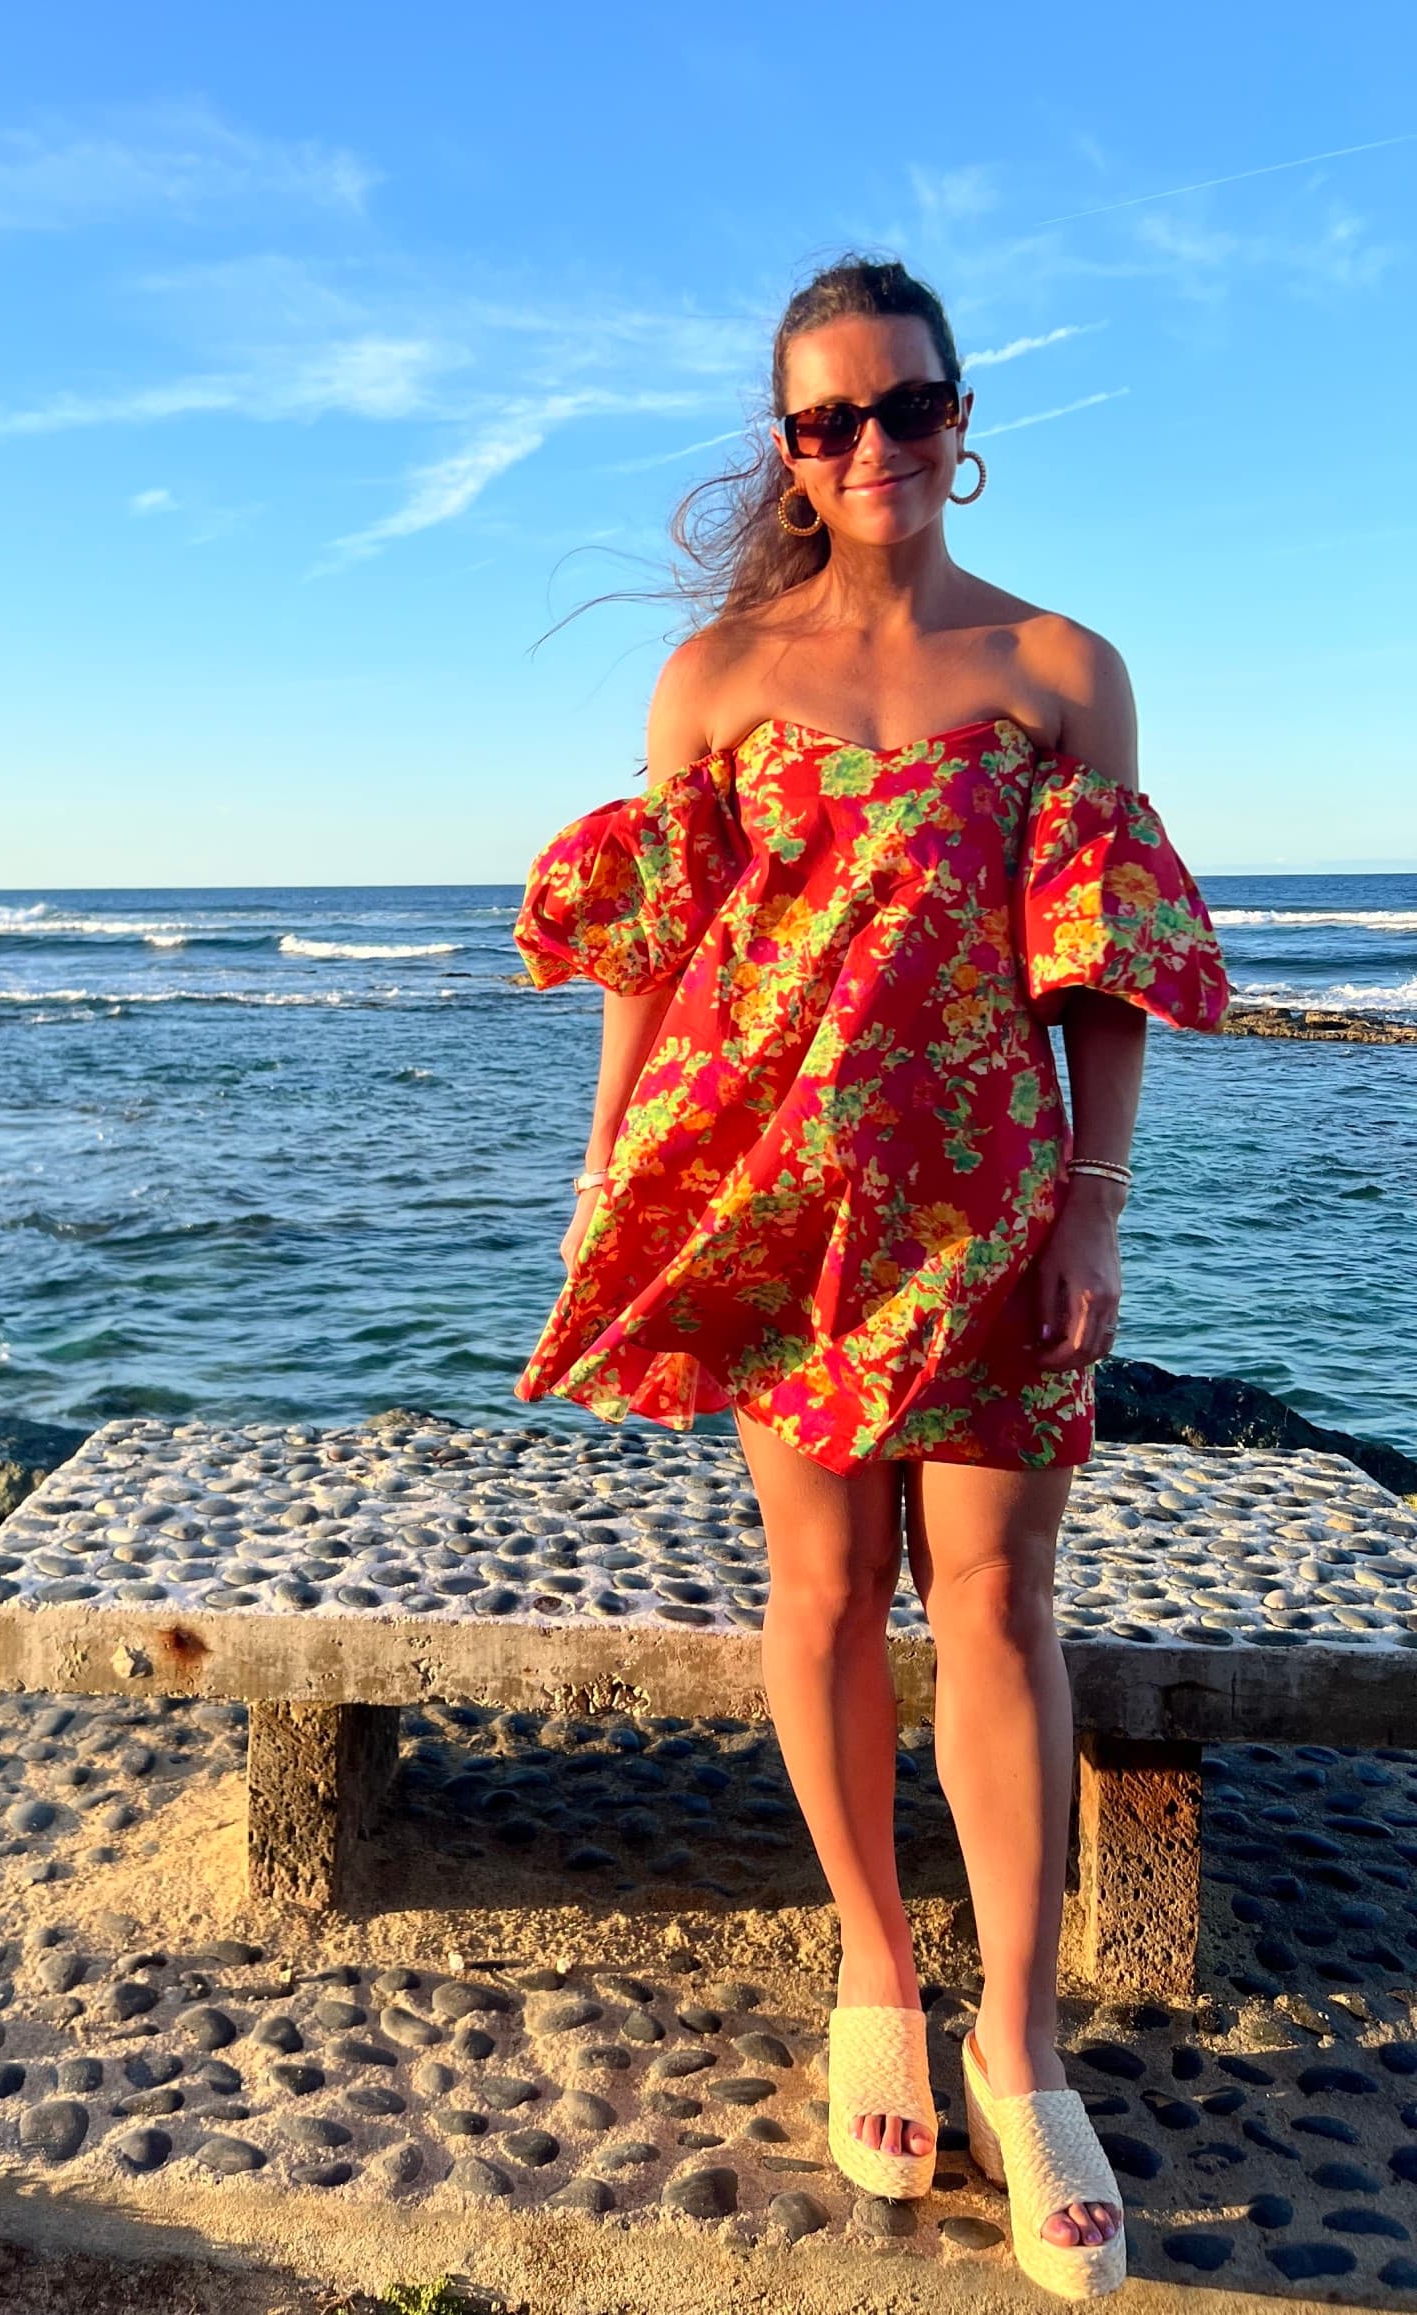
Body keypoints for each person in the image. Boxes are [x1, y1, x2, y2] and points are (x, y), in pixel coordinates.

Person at [512, 256, 1229, 2302]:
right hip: (773, 1203)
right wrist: (604, 1184)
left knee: (1001, 1597)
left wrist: (1091, 1204)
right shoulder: (718, 678)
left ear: (958, 415)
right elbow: (654, 967)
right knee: (820, 1593)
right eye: (827, 421)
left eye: (904, 408)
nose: (871, 448)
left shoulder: (1058, 664)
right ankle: (870, 1969)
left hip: (994, 1200)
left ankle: (1017, 2042)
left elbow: (1098, 969)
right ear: (787, 448)